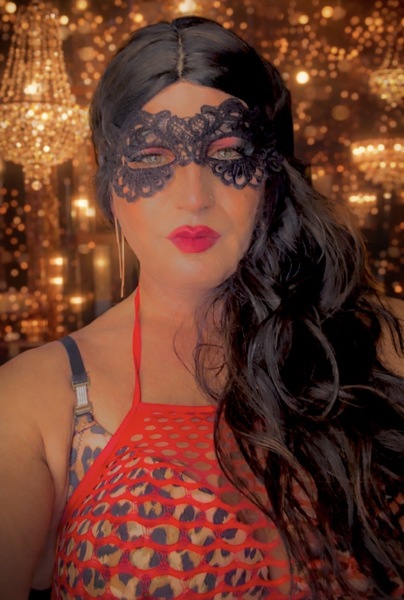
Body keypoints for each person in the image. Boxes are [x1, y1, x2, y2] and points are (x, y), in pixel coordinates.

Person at [0, 15, 403, 600]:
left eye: (228, 152)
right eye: (151, 156)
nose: (193, 197)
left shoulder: (381, 344)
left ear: (271, 174)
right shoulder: (35, 400)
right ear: (108, 182)